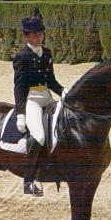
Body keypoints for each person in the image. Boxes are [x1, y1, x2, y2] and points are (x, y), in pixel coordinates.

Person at [13, 15, 65, 197]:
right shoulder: (21, 57)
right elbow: (19, 87)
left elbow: (50, 80)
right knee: (40, 136)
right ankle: (29, 181)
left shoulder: (47, 53)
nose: (38, 38)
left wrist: (63, 92)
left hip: (47, 97)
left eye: (40, 34)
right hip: (32, 99)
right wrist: (20, 113)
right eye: (34, 35)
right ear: (26, 36)